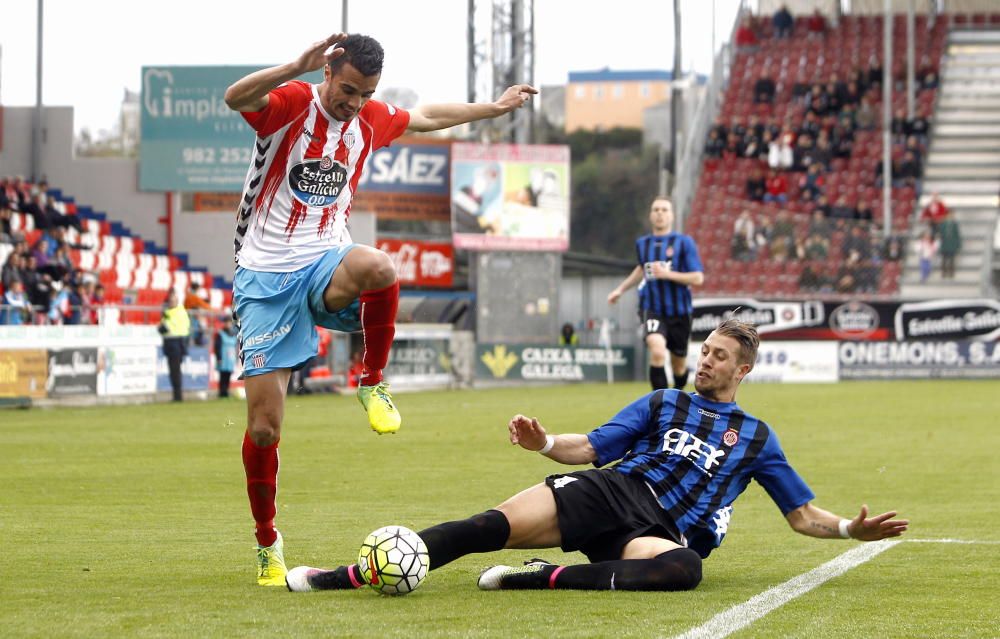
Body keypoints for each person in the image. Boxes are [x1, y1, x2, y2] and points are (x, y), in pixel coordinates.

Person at [224, 32, 537, 586]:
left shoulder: (367, 120)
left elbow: (426, 116)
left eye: (365, 94)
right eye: (347, 90)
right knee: (266, 429)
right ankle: (267, 542)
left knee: (382, 267)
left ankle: (371, 381)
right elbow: (236, 97)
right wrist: (292, 65)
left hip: (325, 263)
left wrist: (493, 106)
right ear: (328, 73)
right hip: (266, 279)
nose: (354, 102)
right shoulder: (293, 103)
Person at [284, 319, 908, 594]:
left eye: (719, 356)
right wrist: (546, 444)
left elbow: (801, 516)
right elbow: (592, 447)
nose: (706, 360)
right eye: (705, 350)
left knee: (683, 570)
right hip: (610, 491)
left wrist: (853, 529)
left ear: (743, 369)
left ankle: (541, 580)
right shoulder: (663, 401)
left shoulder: (756, 437)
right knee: (484, 529)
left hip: (658, 532)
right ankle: (339, 576)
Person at [607, 197, 703, 391]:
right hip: (651, 308)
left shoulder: (684, 243)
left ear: (672, 216)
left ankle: (678, 394)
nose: (660, 213)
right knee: (658, 352)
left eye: (664, 210)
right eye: (656, 209)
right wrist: (620, 289)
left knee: (679, 367)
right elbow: (641, 269)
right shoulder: (643, 244)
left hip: (680, 311)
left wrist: (667, 274)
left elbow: (697, 278)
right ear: (651, 215)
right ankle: (659, 404)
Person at [158, 289, 190, 402]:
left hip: (176, 343)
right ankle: (176, 395)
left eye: (173, 300)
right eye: (170, 300)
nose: (171, 302)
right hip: (170, 343)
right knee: (173, 371)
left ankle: (177, 396)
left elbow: (177, 327)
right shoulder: (168, 312)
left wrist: (164, 327)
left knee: (175, 371)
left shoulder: (177, 312)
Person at [214, 316, 238, 398]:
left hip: (230, 358)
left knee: (228, 375)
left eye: (229, 322)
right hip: (223, 357)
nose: (228, 324)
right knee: (223, 375)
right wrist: (219, 358)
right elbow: (217, 347)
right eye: (226, 322)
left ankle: (226, 391)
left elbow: (236, 347)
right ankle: (222, 392)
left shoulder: (233, 334)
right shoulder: (220, 334)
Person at [937, 211, 961, 279]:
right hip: (944, 243)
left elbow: (957, 235)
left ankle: (951, 272)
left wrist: (958, 244)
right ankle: (943, 272)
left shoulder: (954, 224)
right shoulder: (943, 224)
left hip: (952, 244)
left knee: (952, 259)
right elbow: (940, 234)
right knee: (944, 259)